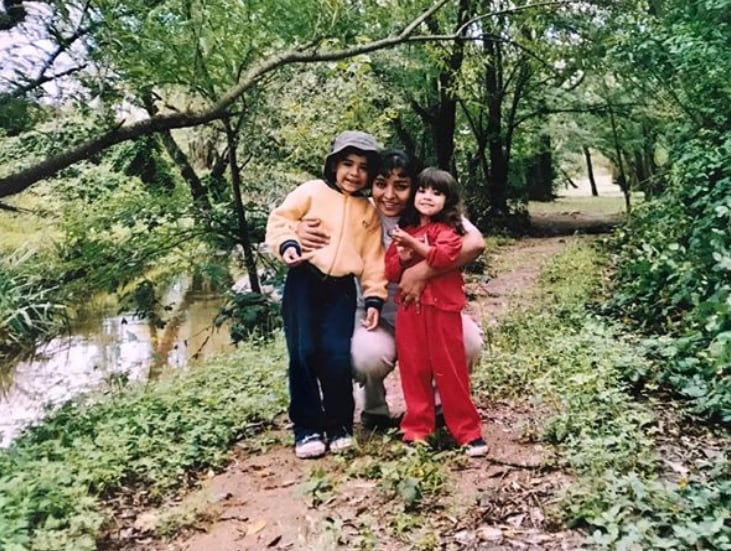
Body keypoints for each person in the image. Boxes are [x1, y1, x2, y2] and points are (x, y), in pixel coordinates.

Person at [296, 149, 484, 430]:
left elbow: (476, 243)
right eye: (382, 184)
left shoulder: (428, 211)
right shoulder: (357, 209)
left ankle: (438, 407)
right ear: (371, 183)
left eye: (402, 186)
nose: (390, 195)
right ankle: (374, 409)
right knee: (366, 357)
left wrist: (423, 271)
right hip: (375, 314)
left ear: (415, 187)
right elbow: (305, 218)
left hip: (429, 311)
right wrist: (298, 230)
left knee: (469, 342)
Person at [265, 130, 388, 459]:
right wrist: (289, 244)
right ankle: (307, 429)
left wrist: (374, 297)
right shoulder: (311, 191)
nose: (354, 173)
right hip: (303, 280)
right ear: (333, 165)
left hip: (342, 289)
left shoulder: (368, 211)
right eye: (347, 163)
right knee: (303, 354)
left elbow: (374, 259)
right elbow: (279, 221)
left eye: (363, 167)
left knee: (335, 355)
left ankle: (339, 426)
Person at [385, 167, 488, 457]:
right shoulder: (405, 231)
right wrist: (403, 256)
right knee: (413, 370)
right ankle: (417, 429)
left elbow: (444, 257)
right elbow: (390, 270)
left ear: (448, 200)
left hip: (442, 309)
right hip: (409, 310)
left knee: (451, 370)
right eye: (422, 190)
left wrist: (414, 247)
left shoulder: (448, 231)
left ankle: (467, 431)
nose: (427, 197)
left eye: (437, 192)